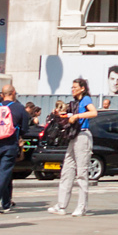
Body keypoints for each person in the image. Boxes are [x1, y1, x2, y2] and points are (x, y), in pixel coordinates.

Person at [48, 81, 99, 216]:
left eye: (75, 87)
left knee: (82, 173)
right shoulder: (74, 103)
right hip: (74, 136)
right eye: (72, 87)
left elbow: (94, 112)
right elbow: (66, 114)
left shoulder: (86, 99)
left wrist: (78, 116)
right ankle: (61, 205)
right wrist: (59, 114)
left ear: (82, 89)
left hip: (83, 135)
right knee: (67, 169)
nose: (73, 89)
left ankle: (81, 207)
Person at [0, 82, 30, 213]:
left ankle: (6, 203)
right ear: (13, 93)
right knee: (4, 173)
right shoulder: (19, 108)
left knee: (3, 172)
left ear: (2, 95)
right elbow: (24, 129)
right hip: (10, 143)